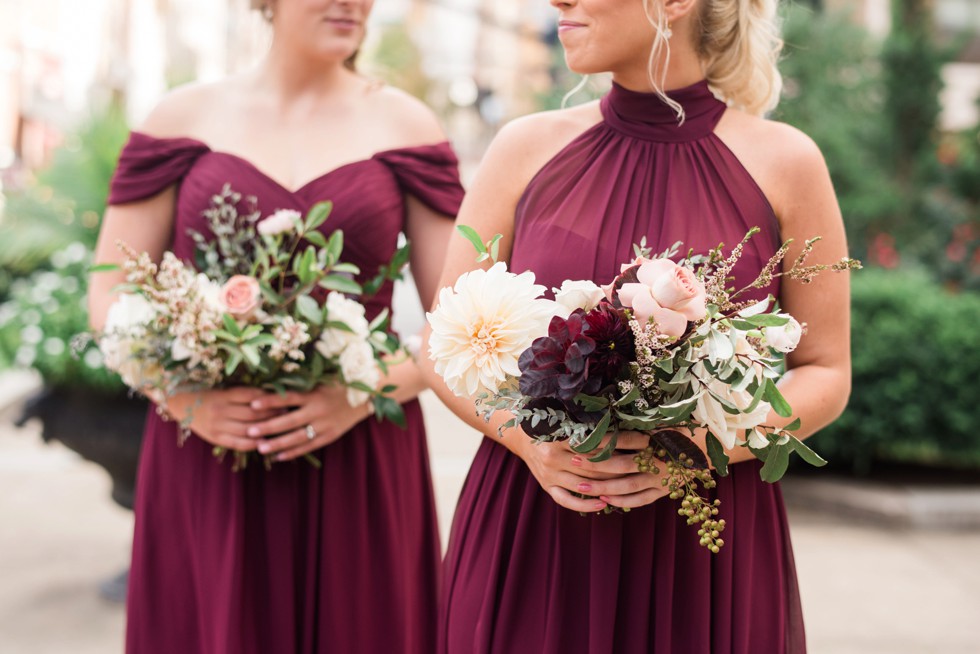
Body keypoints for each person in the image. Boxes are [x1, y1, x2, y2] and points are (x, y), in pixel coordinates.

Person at [420, 0, 851, 652]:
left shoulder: (786, 162)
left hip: (699, 548)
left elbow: (827, 369)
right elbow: (441, 344)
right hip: (535, 532)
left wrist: (696, 448)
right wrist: (530, 443)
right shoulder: (523, 149)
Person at [89, 1, 463, 652]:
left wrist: (364, 390)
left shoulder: (406, 124)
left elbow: (461, 320)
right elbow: (110, 293)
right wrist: (183, 398)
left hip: (358, 455)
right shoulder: (181, 118)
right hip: (205, 454)